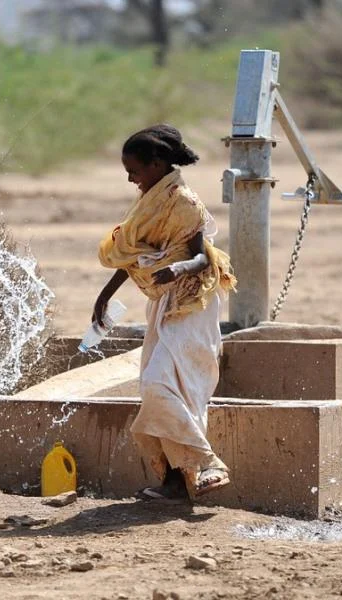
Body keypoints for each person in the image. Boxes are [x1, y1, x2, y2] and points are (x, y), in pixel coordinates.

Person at [92, 124, 236, 500]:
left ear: (157, 164)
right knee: (160, 387)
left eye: (134, 171)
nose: (130, 178)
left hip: (191, 300)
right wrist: (104, 296)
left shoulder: (184, 201)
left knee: (164, 384)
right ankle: (176, 481)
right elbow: (137, 253)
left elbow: (202, 256)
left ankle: (207, 463)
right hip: (162, 300)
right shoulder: (149, 200)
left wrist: (179, 269)